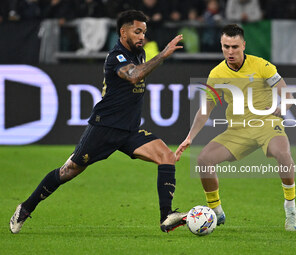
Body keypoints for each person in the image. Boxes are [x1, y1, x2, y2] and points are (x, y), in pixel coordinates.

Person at [10, 10, 187, 234]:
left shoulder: (139, 53)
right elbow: (133, 76)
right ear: (123, 32)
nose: (142, 36)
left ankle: (167, 216)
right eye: (137, 31)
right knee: (69, 171)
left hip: (129, 130)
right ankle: (25, 208)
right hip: (104, 128)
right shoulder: (117, 56)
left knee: (166, 156)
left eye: (144, 31)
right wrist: (162, 55)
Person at [176, 24, 296, 231]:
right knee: (204, 160)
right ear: (221, 46)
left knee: (283, 154)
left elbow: (287, 94)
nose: (230, 52)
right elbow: (205, 110)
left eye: (234, 47)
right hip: (237, 130)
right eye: (226, 47)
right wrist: (190, 137)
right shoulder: (217, 74)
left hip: (266, 124)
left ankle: (290, 209)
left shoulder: (261, 65)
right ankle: (216, 211)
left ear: (243, 45)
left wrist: (282, 106)